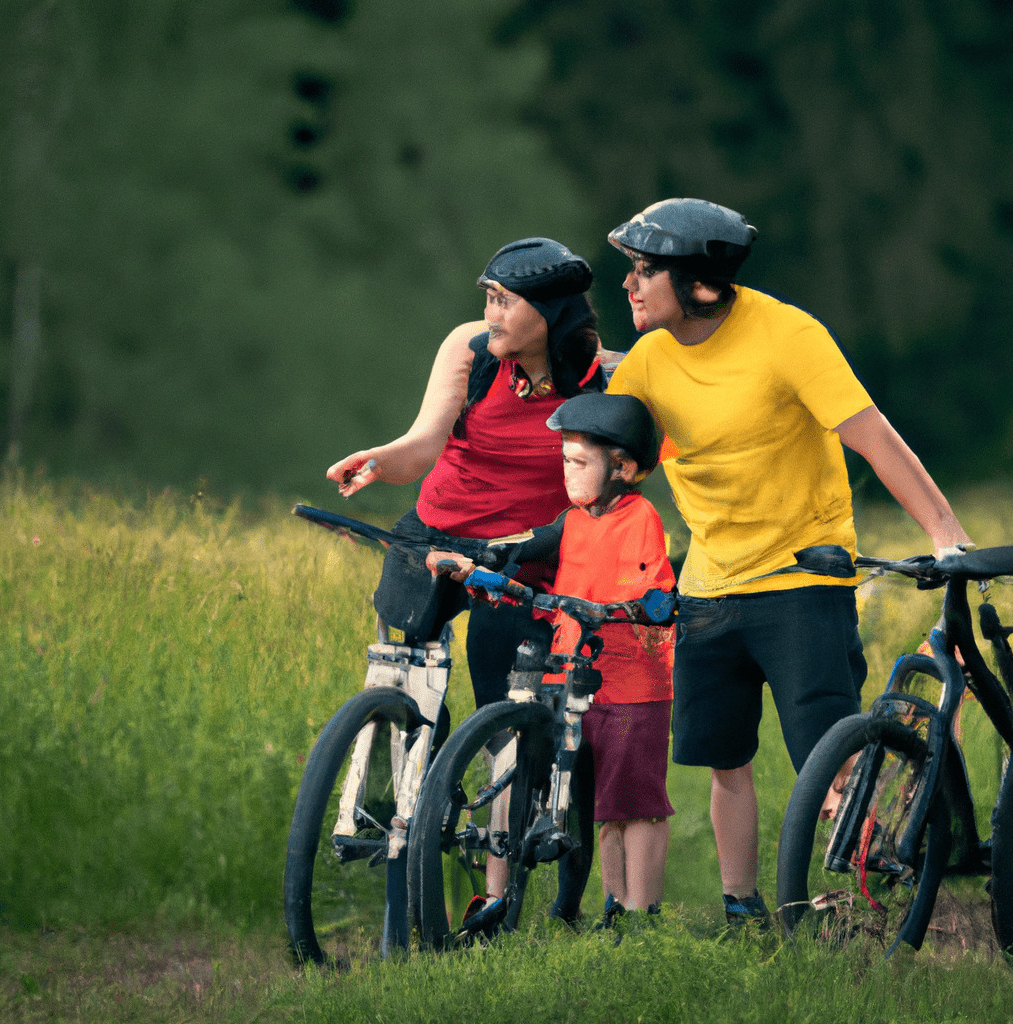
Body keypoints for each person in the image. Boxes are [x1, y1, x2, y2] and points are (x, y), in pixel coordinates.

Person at [603, 197, 973, 927]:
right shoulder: (646, 361)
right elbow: (610, 457)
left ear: (700, 284)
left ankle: (865, 889)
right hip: (708, 590)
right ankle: (743, 907)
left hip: (803, 580)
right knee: (725, 760)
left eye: (646, 270)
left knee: (826, 756)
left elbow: (874, 437)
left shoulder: (789, 335)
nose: (629, 284)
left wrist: (946, 534)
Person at [327, 237, 606, 710]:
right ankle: (411, 774)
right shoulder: (470, 348)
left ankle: (501, 773)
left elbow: (607, 490)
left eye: (503, 300)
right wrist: (375, 461)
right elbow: (421, 446)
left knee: (501, 690)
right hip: (436, 531)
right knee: (401, 671)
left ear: (549, 310)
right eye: (488, 298)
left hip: (520, 553)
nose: (490, 314)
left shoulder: (599, 379)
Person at [432, 392, 677, 926]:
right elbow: (525, 542)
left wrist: (632, 608)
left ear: (624, 468)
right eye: (564, 460)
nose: (567, 472)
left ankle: (643, 913)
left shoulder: (641, 518)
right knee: (604, 810)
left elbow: (657, 592)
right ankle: (616, 905)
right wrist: (477, 558)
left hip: (633, 687)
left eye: (578, 462)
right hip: (575, 679)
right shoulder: (573, 520)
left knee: (634, 805)